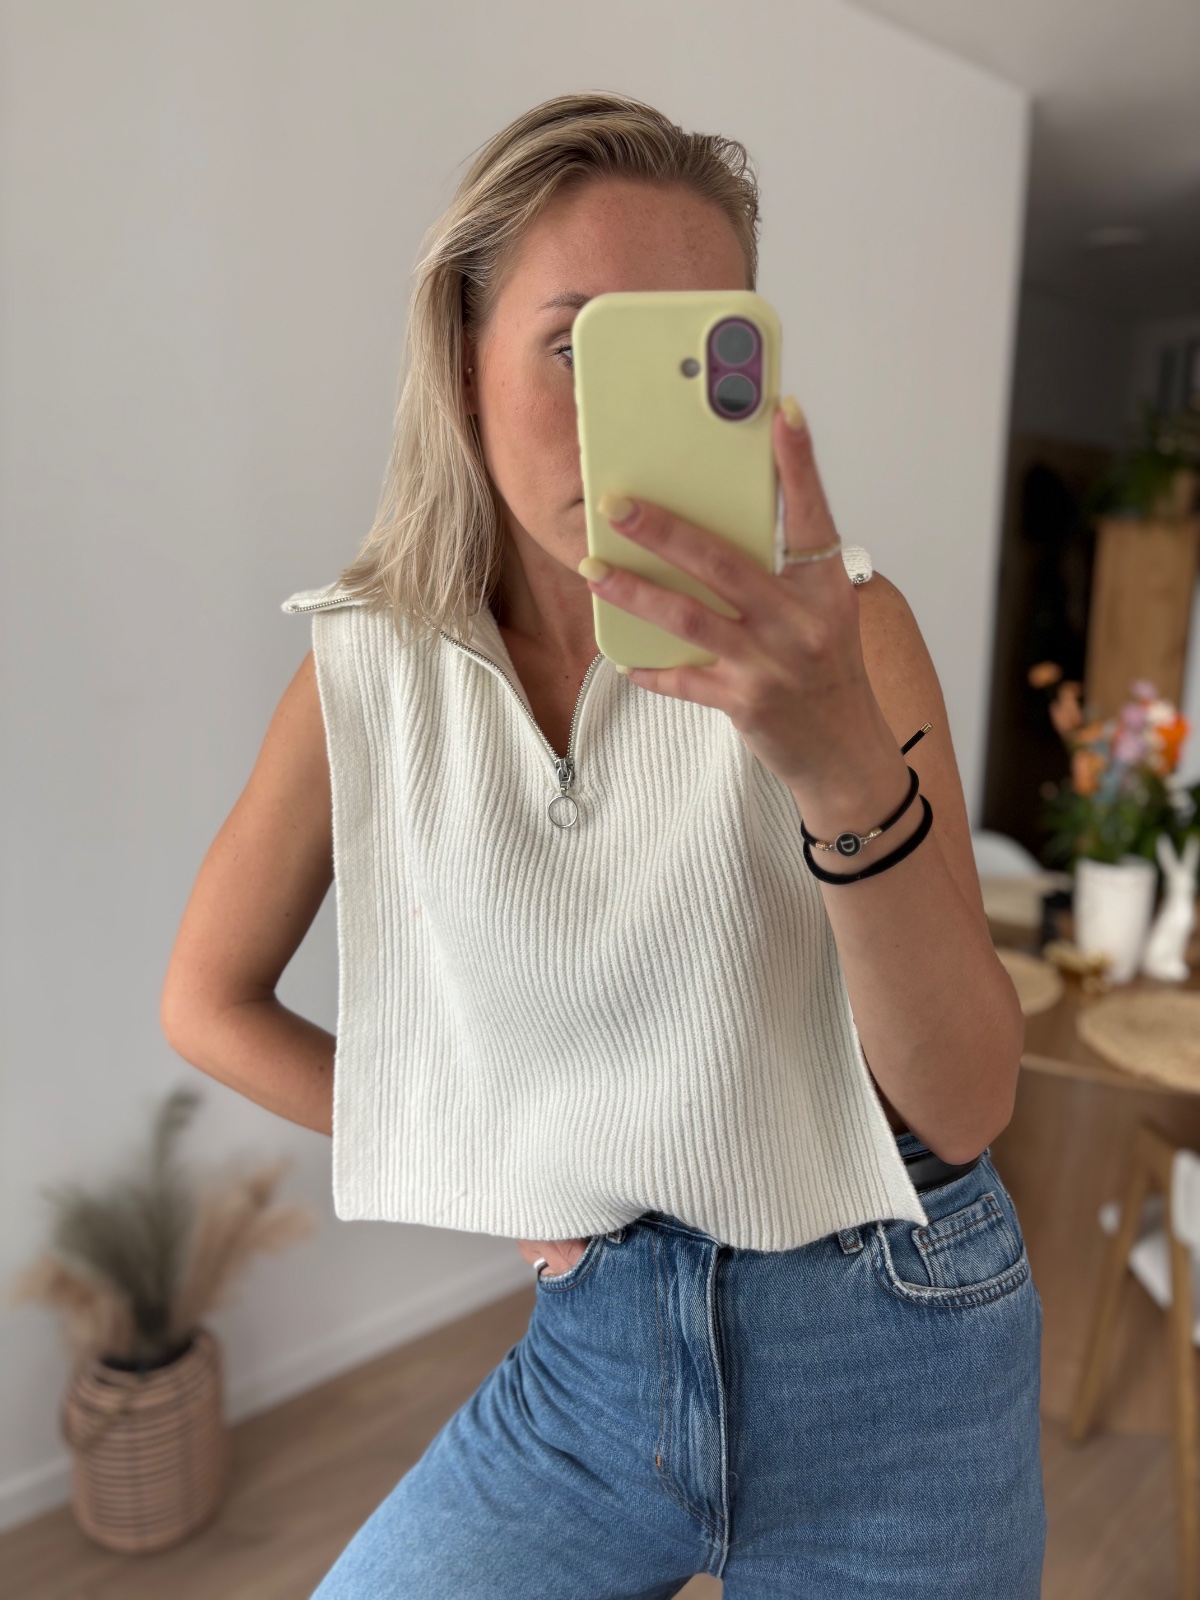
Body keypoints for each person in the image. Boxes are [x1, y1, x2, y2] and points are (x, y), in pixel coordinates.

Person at [161, 91, 1045, 1598]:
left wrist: (835, 763)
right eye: (578, 346)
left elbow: (965, 1104)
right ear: (461, 362)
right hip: (591, 1375)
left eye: (694, 358)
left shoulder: (848, 635)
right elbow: (207, 1002)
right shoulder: (366, 674)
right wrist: (501, 1175)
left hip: (897, 1353)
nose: (626, 415)